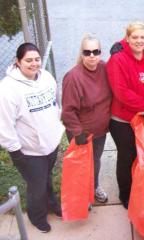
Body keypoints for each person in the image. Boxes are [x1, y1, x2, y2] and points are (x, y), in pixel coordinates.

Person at [0, 43, 65, 233]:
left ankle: (52, 204)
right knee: (36, 186)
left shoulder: (46, 77)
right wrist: (14, 150)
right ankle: (37, 216)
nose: (34, 64)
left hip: (50, 144)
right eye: (28, 60)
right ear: (18, 62)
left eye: (37, 59)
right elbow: (4, 124)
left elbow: (55, 103)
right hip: (28, 151)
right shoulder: (7, 89)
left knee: (46, 178)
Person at [106, 21, 144, 209]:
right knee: (127, 155)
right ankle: (125, 192)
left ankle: (141, 186)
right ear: (127, 38)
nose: (139, 41)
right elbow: (121, 91)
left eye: (142, 37)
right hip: (123, 120)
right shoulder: (117, 59)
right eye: (135, 37)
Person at [61, 34, 112, 204]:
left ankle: (94, 187)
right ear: (81, 54)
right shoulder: (73, 77)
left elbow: (127, 62)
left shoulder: (105, 68)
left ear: (100, 52)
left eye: (96, 51)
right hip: (82, 132)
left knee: (95, 161)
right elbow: (68, 111)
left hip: (100, 132)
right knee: (82, 166)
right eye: (87, 52)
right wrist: (77, 133)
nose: (92, 56)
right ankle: (83, 195)